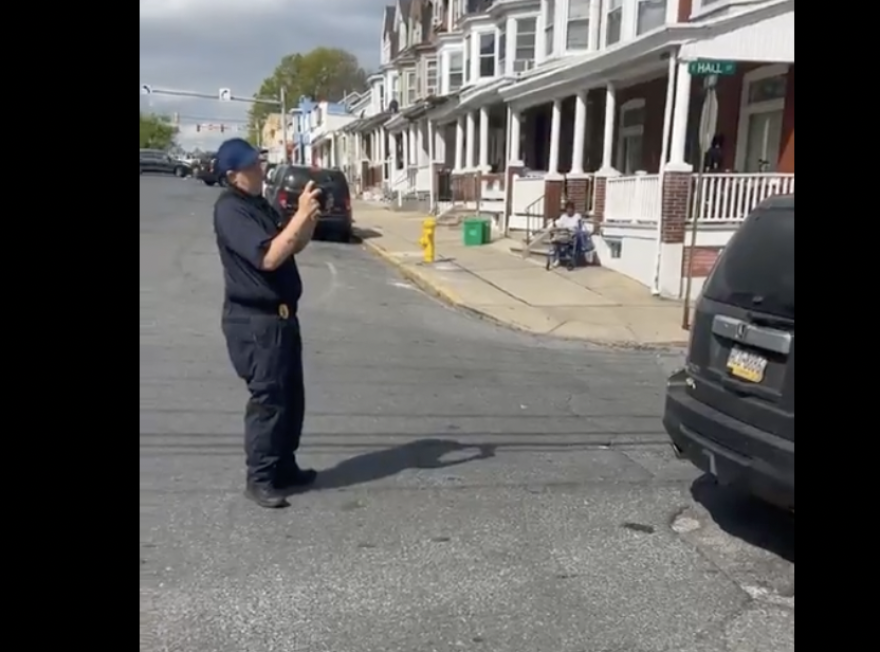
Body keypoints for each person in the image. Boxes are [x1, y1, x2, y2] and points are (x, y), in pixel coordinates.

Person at [213, 138, 323, 508]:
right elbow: (269, 258)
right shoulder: (231, 210)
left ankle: (283, 467)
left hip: (282, 318)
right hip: (255, 322)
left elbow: (292, 245)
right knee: (269, 400)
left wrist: (308, 219)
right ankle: (259, 478)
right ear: (233, 175)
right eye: (251, 166)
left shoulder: (258, 204)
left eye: (258, 162)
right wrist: (298, 217)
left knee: (291, 397)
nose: (259, 169)